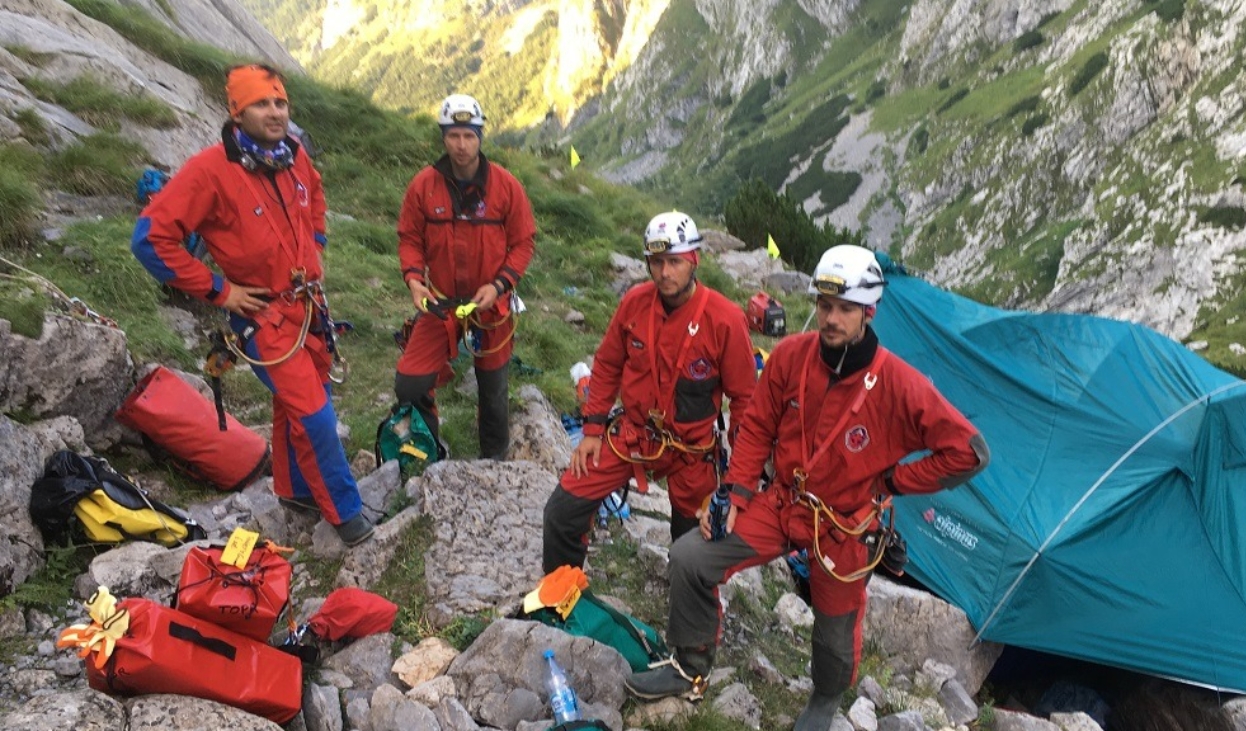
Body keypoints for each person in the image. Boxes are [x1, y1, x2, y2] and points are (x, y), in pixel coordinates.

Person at [625, 245, 991, 730]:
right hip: (782, 502)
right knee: (691, 557)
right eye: (824, 306)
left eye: (844, 309)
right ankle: (690, 666)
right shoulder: (791, 357)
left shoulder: (901, 385)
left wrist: (895, 480)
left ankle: (824, 700)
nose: (831, 319)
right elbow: (755, 426)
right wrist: (735, 492)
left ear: (869, 311)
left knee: (835, 629)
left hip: (845, 522)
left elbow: (970, 452)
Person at [131, 64, 374, 546]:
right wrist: (221, 291)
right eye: (261, 104)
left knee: (297, 401)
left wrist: (316, 240)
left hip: (306, 308)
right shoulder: (210, 171)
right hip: (263, 318)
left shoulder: (293, 156)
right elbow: (150, 239)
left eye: (280, 103)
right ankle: (347, 517)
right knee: (316, 414)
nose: (274, 112)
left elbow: (315, 193)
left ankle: (295, 490)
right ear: (237, 112)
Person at [542, 211, 757, 573]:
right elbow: (608, 364)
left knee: (693, 551)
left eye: (674, 262)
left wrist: (739, 479)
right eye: (656, 262)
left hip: (692, 452)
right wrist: (593, 429)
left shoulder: (725, 320)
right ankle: (561, 597)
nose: (665, 273)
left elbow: (746, 401)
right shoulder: (634, 303)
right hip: (633, 436)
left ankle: (686, 615)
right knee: (561, 512)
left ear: (694, 260)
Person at [394, 93, 536, 460]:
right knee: (410, 381)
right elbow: (410, 237)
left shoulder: (506, 187)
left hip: (490, 305)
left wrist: (500, 284)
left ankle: (494, 460)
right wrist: (413, 279)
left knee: (492, 388)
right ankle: (428, 448)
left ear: (480, 137)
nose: (461, 145)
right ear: (443, 137)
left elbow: (522, 242)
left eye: (469, 135)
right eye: (454, 135)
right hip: (440, 302)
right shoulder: (424, 186)